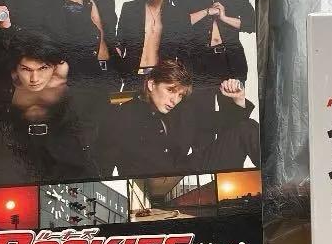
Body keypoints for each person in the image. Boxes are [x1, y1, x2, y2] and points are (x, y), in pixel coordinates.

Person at [0, 37, 103, 187]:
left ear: (55, 66)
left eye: (43, 68)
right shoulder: (1, 81)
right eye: (26, 69)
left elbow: (91, 116)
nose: (34, 78)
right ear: (15, 68)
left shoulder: (75, 81)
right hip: (16, 151)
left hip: (63, 151)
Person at [102, 59, 258, 176]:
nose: (174, 100)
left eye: (180, 95)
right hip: (150, 181)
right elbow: (102, 164)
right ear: (151, 84)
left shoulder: (183, 110)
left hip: (186, 171)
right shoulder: (122, 116)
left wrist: (238, 99)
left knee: (247, 127)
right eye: (170, 90)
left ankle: (271, 178)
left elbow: (227, 123)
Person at [177, 0, 257, 155]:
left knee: (233, 114)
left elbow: (252, 24)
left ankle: (229, 159)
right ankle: (203, 162)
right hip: (198, 63)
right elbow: (178, 24)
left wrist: (223, 17)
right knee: (200, 117)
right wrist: (207, 11)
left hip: (230, 61)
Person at [113, 0, 190, 79]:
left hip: (163, 77)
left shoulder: (178, 14)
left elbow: (184, 51)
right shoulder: (130, 8)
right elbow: (120, 41)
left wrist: (179, 78)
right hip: (133, 75)